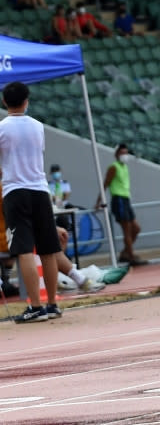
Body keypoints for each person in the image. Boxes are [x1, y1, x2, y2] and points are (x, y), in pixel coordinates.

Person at [0, 82, 62, 322]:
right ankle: (52, 304)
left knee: (24, 249)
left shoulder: (2, 128)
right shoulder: (38, 126)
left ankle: (35, 306)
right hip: (40, 188)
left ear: (5, 101)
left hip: (16, 189)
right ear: (27, 101)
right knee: (48, 248)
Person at [98, 143, 146, 265]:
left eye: (126, 153)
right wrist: (99, 201)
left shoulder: (124, 167)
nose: (125, 155)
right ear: (117, 154)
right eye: (122, 153)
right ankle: (131, 256)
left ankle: (125, 253)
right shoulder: (113, 167)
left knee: (136, 228)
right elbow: (105, 184)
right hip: (118, 199)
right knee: (127, 229)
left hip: (126, 199)